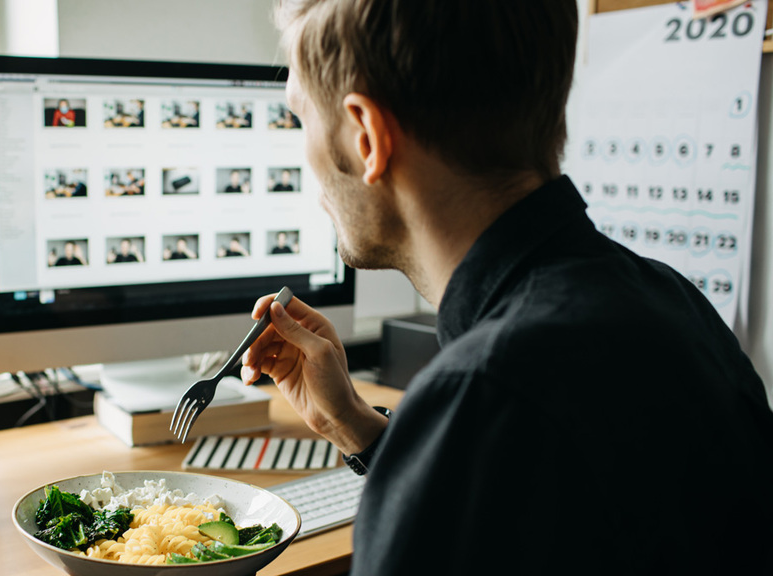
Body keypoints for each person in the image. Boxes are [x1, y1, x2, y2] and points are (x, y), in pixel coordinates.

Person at [240, 1, 773, 574]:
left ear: (366, 136)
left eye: (301, 117)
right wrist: (359, 428)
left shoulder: (485, 395)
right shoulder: (670, 300)